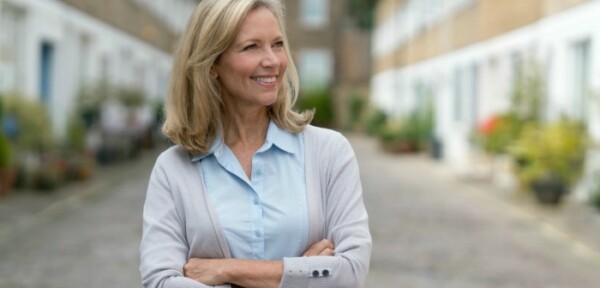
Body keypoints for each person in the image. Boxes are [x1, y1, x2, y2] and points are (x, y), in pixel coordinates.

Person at [139, 0, 371, 287]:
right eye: (251, 47)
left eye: (277, 44)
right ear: (212, 64)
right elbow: (161, 282)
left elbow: (349, 272)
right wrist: (302, 274)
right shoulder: (173, 169)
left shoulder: (330, 152)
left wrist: (228, 271)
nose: (273, 60)